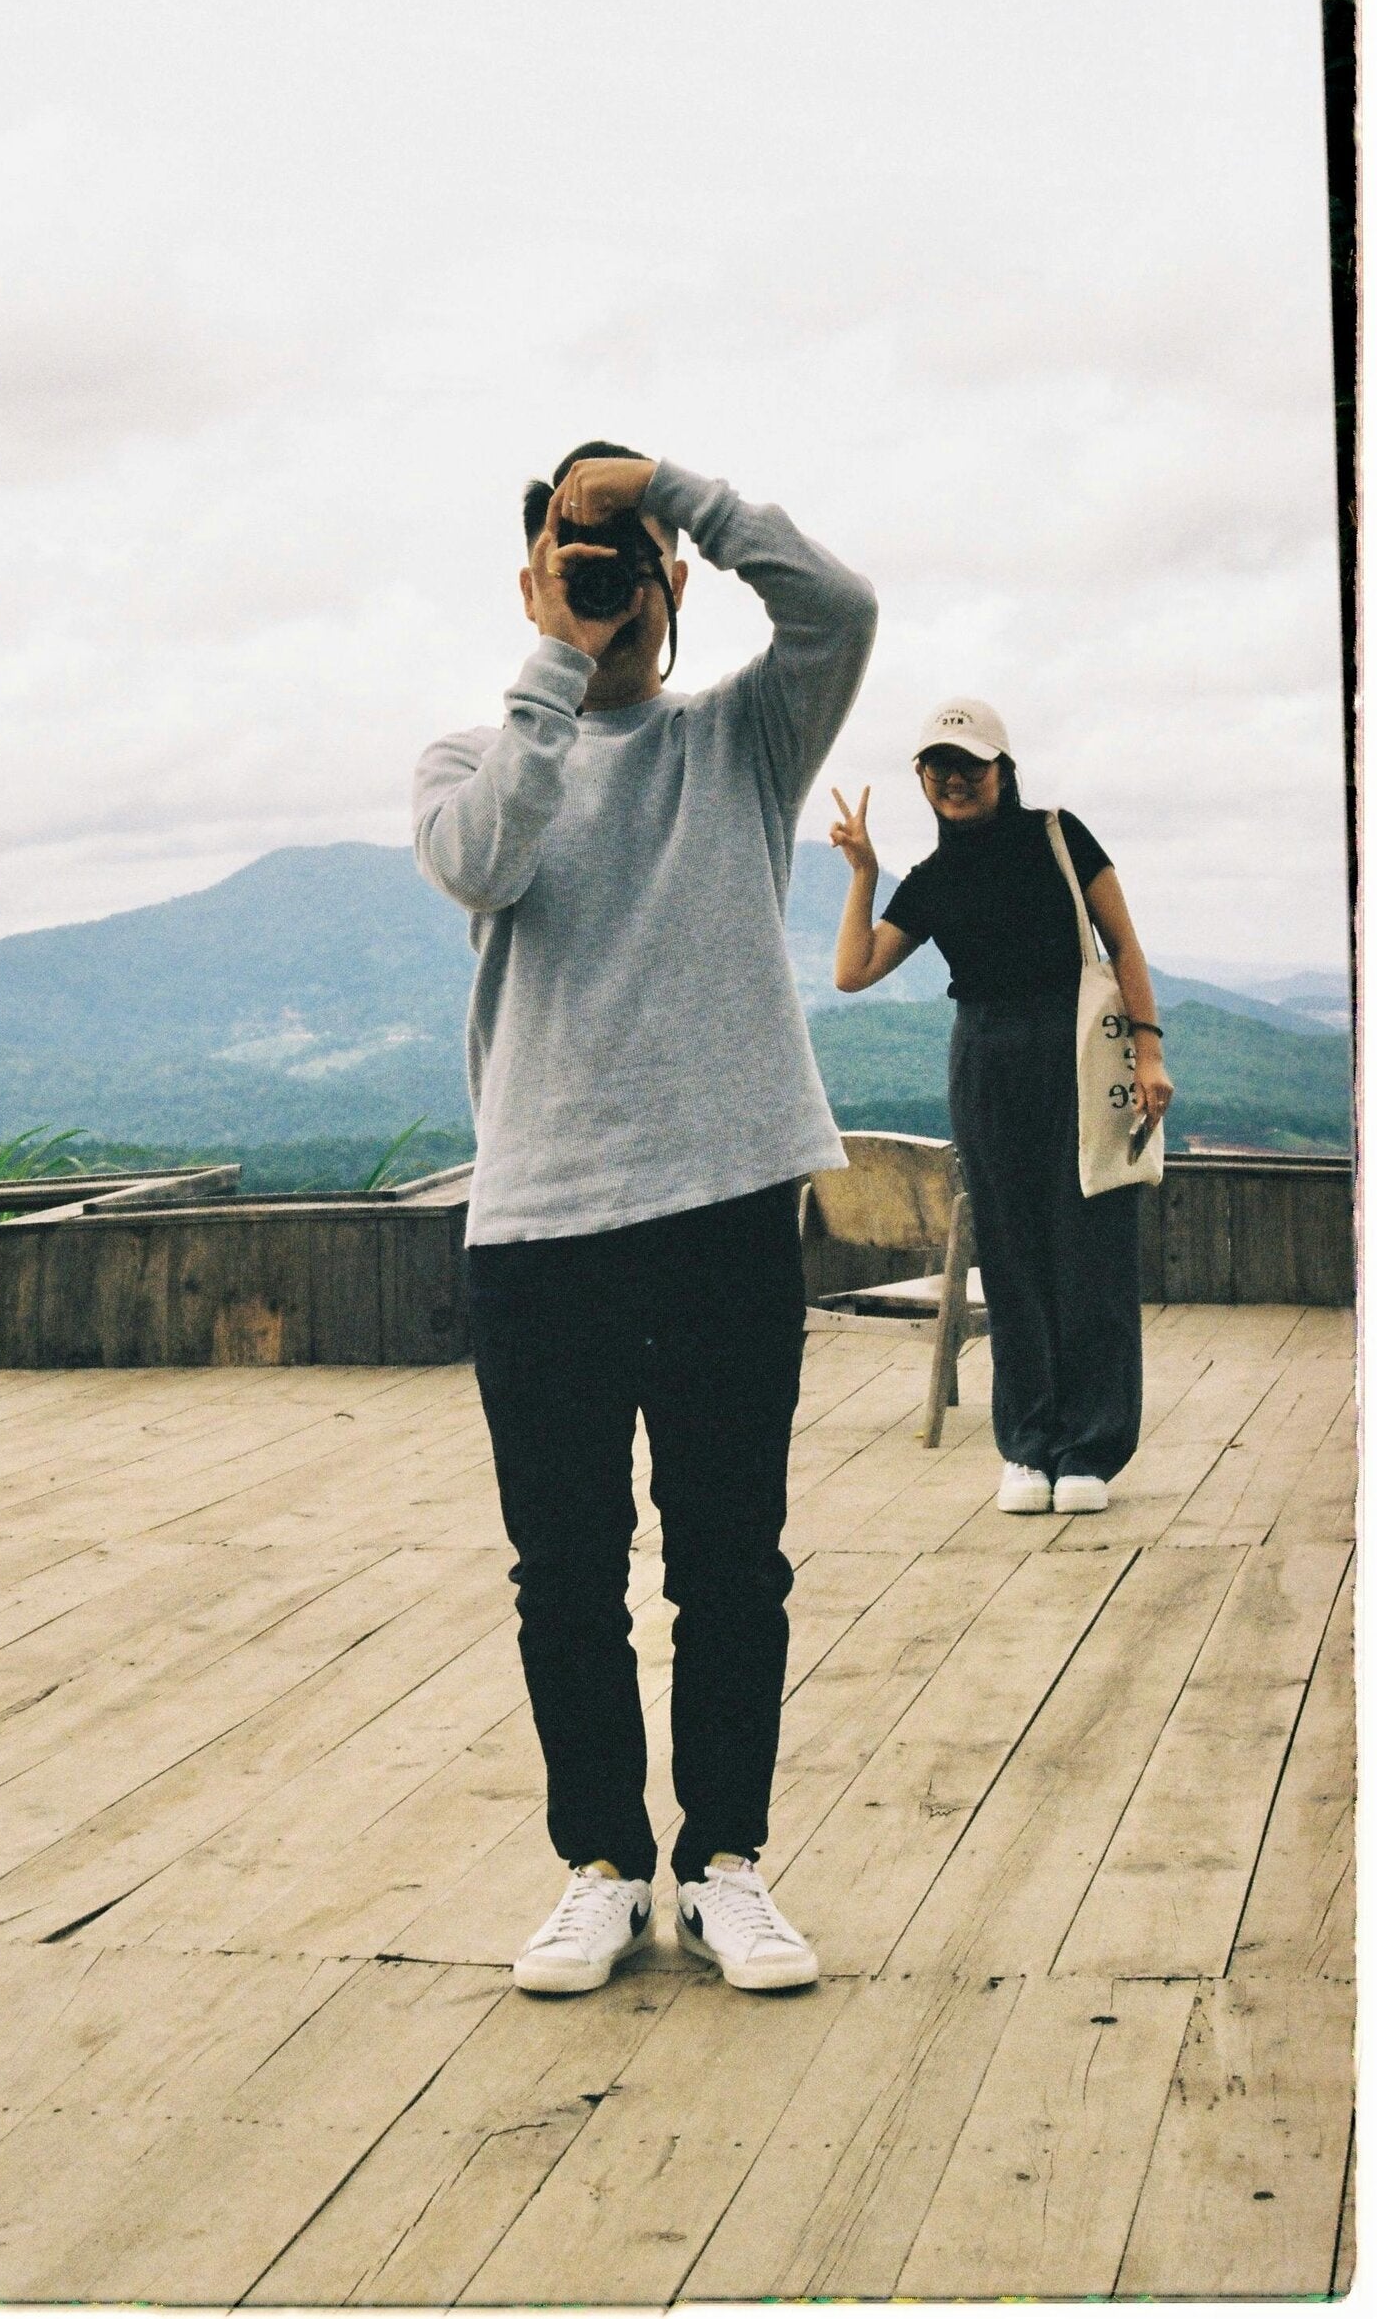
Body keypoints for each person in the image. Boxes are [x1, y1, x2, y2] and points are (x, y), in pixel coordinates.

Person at [412, 443, 876, 1999]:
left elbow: (840, 609)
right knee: (566, 1572)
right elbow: (487, 862)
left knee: (731, 1562)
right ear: (531, 580)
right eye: (573, 553)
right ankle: (601, 1867)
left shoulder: (739, 740)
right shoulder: (474, 756)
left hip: (725, 1202)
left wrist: (683, 493)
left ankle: (727, 1861)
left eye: (629, 558)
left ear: (676, 575)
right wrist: (560, 654)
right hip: (541, 1222)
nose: (607, 579)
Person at [827, 698, 1174, 1518]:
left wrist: (1150, 1051)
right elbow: (853, 970)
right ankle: (1026, 1447)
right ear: (921, 776)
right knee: (1012, 1258)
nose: (955, 779)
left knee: (1090, 1249)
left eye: (971, 764)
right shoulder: (931, 879)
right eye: (939, 766)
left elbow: (1123, 944)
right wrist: (864, 873)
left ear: (1003, 770)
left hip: (1077, 1047)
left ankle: (1089, 1448)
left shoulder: (1059, 834)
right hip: (985, 1060)